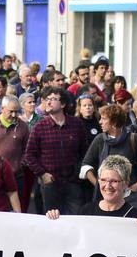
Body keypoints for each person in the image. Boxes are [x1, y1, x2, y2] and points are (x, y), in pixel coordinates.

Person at [22, 88, 89, 217]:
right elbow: (29, 155)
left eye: (53, 99)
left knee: (77, 218)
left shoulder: (76, 124)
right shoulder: (39, 127)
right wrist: (42, 173)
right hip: (50, 183)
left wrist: (78, 171)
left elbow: (84, 151)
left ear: (63, 104)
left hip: (73, 182)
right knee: (51, 220)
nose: (48, 102)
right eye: (47, 99)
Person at [80, 104, 137, 214]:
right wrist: (100, 184)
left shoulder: (133, 139)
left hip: (130, 197)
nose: (100, 122)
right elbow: (86, 165)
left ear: (114, 122)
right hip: (106, 198)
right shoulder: (100, 139)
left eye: (104, 119)